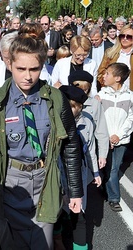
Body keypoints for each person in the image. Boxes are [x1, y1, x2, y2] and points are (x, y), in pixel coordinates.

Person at [0, 34, 83, 249]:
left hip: (45, 179)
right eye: (21, 69)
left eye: (34, 69)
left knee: (43, 243)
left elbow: (70, 145)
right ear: (9, 64)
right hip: (9, 181)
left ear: (42, 66)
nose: (28, 76)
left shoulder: (56, 99)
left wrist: (76, 191)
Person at [58, 85, 102, 250]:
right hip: (57, 172)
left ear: (80, 108)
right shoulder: (52, 122)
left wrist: (95, 172)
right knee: (57, 213)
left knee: (79, 216)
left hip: (79, 172)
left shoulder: (87, 122)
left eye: (73, 107)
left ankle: (80, 246)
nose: (69, 110)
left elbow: (91, 149)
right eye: (66, 106)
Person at [99, 62, 133, 212]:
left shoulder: (130, 96)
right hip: (103, 139)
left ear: (118, 78)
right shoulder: (100, 95)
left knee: (113, 168)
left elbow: (131, 119)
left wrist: (118, 136)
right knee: (105, 167)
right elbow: (98, 119)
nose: (103, 76)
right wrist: (106, 136)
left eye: (107, 74)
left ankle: (114, 198)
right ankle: (104, 188)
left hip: (121, 140)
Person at [97, 24, 133, 89]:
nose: (125, 39)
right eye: (122, 36)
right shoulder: (110, 52)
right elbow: (101, 73)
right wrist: (106, 86)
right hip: (110, 92)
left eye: (129, 37)